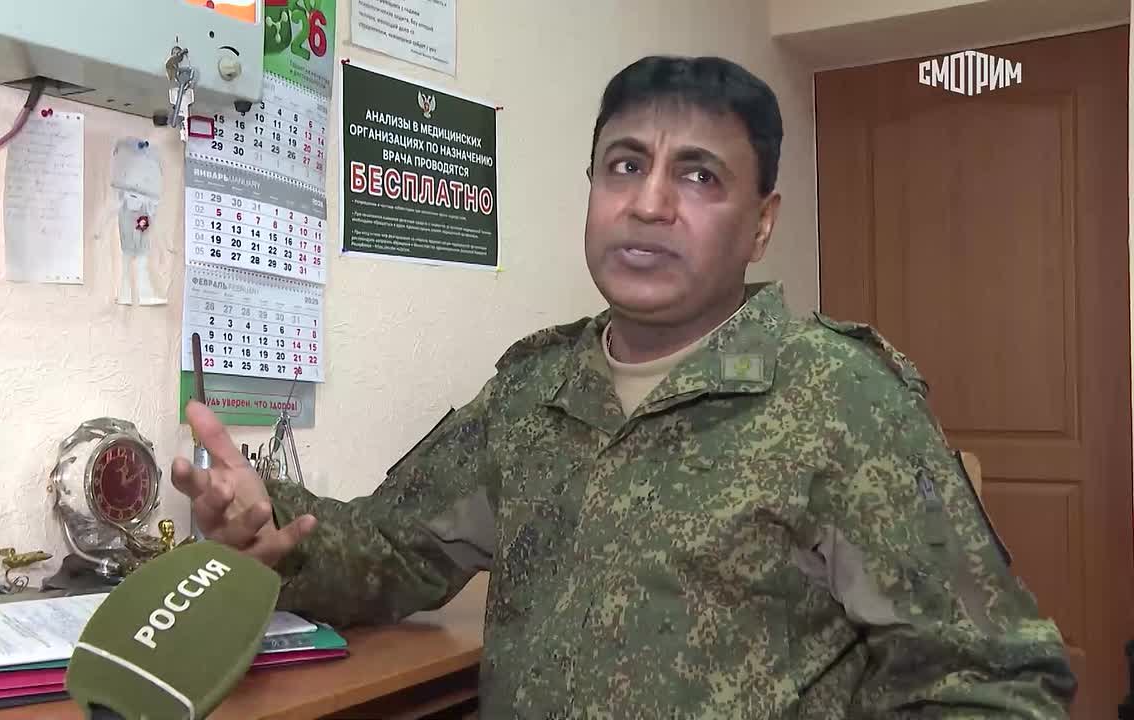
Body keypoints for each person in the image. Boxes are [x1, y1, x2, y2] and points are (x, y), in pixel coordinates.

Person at [172, 55, 1076, 717]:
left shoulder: (842, 399)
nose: (648, 203)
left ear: (762, 225)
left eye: (699, 175)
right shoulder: (533, 391)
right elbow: (394, 554)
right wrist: (270, 522)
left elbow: (991, 680)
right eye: (625, 165)